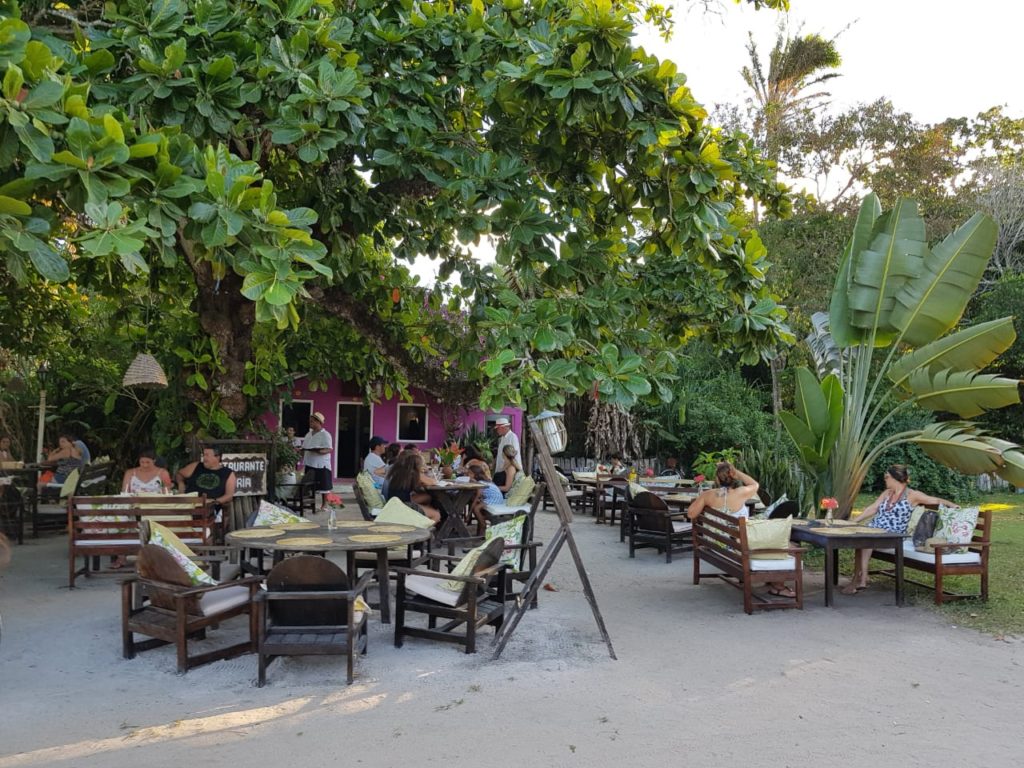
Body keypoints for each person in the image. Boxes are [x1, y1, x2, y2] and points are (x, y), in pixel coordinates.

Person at [841, 464, 958, 595]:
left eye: (887, 477)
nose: (885, 479)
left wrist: (951, 504)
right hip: (875, 529)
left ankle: (860, 580)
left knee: (866, 540)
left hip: (893, 534)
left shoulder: (912, 495)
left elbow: (934, 499)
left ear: (895, 478)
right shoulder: (887, 493)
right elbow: (873, 508)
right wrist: (853, 522)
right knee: (861, 539)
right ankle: (860, 578)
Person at [687, 461, 794, 598]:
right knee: (783, 546)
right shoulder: (741, 493)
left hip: (716, 545)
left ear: (717, 479)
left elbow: (690, 514)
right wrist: (737, 472)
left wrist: (702, 499)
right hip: (737, 547)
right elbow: (755, 484)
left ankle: (773, 583)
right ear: (733, 477)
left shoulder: (708, 495)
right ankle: (778, 586)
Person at [384, 451, 441, 522]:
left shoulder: (400, 471)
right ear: (416, 465)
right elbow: (432, 482)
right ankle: (421, 531)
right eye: (421, 465)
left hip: (395, 503)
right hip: (403, 505)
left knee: (427, 497)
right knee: (436, 515)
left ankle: (421, 516)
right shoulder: (413, 473)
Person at [176, 445, 237, 509]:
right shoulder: (196, 466)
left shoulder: (228, 473)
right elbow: (179, 474)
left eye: (207, 455)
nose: (204, 458)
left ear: (217, 457)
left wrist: (213, 501)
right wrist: (181, 483)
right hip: (188, 505)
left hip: (209, 508)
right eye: (203, 455)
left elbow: (229, 496)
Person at [301, 412, 333, 511]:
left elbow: (329, 449)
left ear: (318, 422)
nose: (310, 423)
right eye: (310, 421)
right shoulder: (308, 434)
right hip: (310, 462)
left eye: (312, 421)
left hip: (321, 464)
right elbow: (305, 447)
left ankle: (324, 505)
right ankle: (309, 504)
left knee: (324, 485)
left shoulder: (326, 435)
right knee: (309, 484)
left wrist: (319, 451)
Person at [467, 464, 504, 535]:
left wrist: (469, 514)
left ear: (474, 474)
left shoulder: (480, 483)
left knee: (476, 508)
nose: (468, 475)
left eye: (469, 473)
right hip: (496, 498)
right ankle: (481, 523)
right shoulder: (484, 481)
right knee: (476, 504)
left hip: (494, 499)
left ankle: (483, 524)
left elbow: (477, 496)